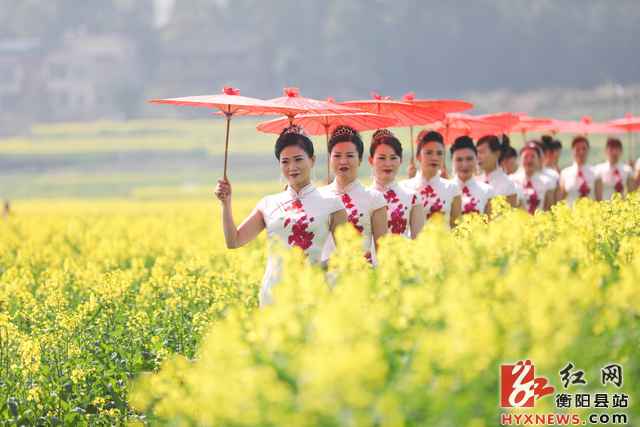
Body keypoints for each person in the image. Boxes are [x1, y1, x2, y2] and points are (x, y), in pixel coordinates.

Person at [214, 125, 347, 307]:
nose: (292, 167)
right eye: (285, 162)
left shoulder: (332, 204)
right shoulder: (268, 203)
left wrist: (319, 266)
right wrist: (226, 203)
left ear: (312, 160)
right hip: (273, 296)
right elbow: (234, 241)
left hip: (313, 296)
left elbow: (347, 253)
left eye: (298, 159)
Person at [320, 125, 388, 265]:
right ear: (330, 158)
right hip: (322, 279)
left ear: (360, 159)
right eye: (337, 156)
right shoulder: (318, 197)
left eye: (350, 155)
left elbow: (383, 252)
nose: (343, 161)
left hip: (362, 278)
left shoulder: (374, 198)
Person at [368, 129, 424, 239]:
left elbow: (420, 243)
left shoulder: (412, 197)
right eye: (382, 158)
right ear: (371, 160)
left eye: (393, 158)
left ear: (401, 160)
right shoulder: (363, 197)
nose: (388, 163)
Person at [401, 130, 461, 228]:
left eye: (439, 153)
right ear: (418, 156)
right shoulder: (404, 187)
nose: (434, 157)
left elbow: (456, 228)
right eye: (429, 152)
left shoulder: (453, 188)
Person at [450, 136, 493, 215]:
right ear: (452, 161)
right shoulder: (445, 190)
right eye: (459, 160)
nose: (464, 164)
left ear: (477, 159)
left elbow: (491, 225)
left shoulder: (487, 191)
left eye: (469, 159)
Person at [510, 142, 554, 214]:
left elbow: (549, 207)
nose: (529, 160)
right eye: (526, 157)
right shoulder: (512, 180)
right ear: (520, 160)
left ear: (538, 160)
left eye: (533, 156)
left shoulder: (546, 182)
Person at [558, 136, 603, 206]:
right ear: (572, 151)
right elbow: (561, 199)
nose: (581, 152)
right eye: (577, 149)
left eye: (584, 149)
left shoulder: (596, 172)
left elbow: (599, 200)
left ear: (588, 150)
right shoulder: (565, 173)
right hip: (570, 214)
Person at [476, 134, 518, 207]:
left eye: (482, 152)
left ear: (497, 154)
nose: (478, 156)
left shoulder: (508, 184)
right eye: (477, 152)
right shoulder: (476, 181)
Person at [540, 136, 562, 205]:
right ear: (549, 153)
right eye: (558, 152)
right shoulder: (549, 172)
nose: (559, 155)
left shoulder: (556, 170)